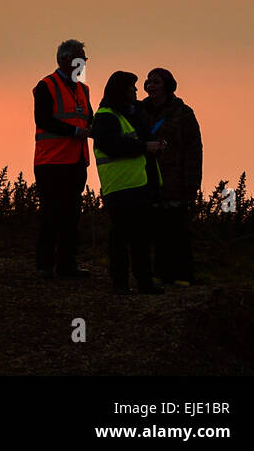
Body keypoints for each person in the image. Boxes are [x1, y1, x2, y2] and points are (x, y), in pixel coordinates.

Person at [92, 70, 165, 294]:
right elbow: (111, 145)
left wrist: (154, 144)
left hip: (138, 184)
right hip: (120, 187)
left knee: (140, 237)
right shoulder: (106, 116)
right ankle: (121, 284)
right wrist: (144, 147)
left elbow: (140, 139)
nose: (136, 91)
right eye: (132, 87)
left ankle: (144, 282)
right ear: (122, 91)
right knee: (122, 238)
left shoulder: (130, 114)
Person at [33, 39, 94, 279]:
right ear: (65, 60)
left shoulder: (83, 89)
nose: (83, 63)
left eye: (84, 59)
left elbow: (88, 118)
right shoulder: (46, 85)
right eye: (80, 58)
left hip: (76, 160)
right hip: (51, 162)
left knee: (71, 216)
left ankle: (67, 265)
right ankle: (45, 266)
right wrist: (75, 132)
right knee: (50, 214)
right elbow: (43, 120)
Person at [141, 68, 202, 285]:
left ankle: (183, 275)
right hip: (147, 180)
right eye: (148, 82)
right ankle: (160, 274)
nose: (150, 85)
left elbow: (194, 150)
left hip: (176, 180)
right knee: (156, 230)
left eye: (155, 81)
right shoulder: (139, 111)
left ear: (168, 85)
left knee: (179, 230)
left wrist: (192, 182)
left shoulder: (184, 113)